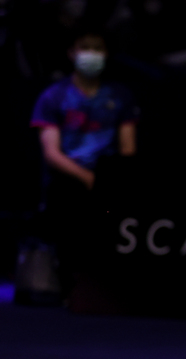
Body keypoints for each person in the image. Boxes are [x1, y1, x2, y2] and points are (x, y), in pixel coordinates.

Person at [29, 27, 138, 298]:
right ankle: (66, 285)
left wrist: (111, 179)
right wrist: (87, 178)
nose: (91, 54)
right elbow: (51, 153)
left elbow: (128, 148)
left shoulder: (120, 96)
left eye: (97, 49)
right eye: (85, 48)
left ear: (107, 54)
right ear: (71, 53)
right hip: (67, 181)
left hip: (108, 181)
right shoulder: (53, 96)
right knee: (67, 218)